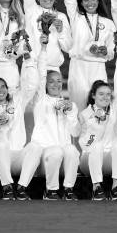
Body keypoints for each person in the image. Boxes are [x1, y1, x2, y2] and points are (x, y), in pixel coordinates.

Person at [15, 34, 81, 200]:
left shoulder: (70, 105)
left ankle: (68, 190)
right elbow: (42, 74)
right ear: (45, 85)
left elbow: (75, 132)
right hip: (43, 149)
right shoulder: (40, 100)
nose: (56, 84)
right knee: (57, 152)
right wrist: (43, 49)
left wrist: (71, 114)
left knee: (72, 150)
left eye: (59, 81)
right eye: (52, 81)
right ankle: (50, 191)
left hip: (62, 150)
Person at [78, 51, 117, 200]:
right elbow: (86, 144)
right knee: (96, 146)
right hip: (88, 158)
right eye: (101, 94)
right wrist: (97, 126)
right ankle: (96, 188)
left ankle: (115, 189)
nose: (105, 97)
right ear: (93, 96)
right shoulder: (85, 114)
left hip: (109, 158)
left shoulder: (113, 110)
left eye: (108, 94)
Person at [62, 0, 115, 110]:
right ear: (81, 3)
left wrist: (106, 51)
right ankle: (76, 135)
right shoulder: (76, 17)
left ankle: (97, 136)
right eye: (85, 0)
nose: (89, 2)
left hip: (98, 67)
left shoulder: (108, 23)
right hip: (78, 67)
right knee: (77, 109)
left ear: (98, 1)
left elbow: (112, 51)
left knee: (99, 110)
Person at [0, 58, 41, 200]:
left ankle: (22, 188)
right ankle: (7, 188)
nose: (0, 90)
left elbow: (31, 85)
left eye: (3, 86)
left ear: (7, 89)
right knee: (0, 144)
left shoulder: (17, 101)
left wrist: (28, 62)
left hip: (19, 154)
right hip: (2, 158)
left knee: (35, 146)